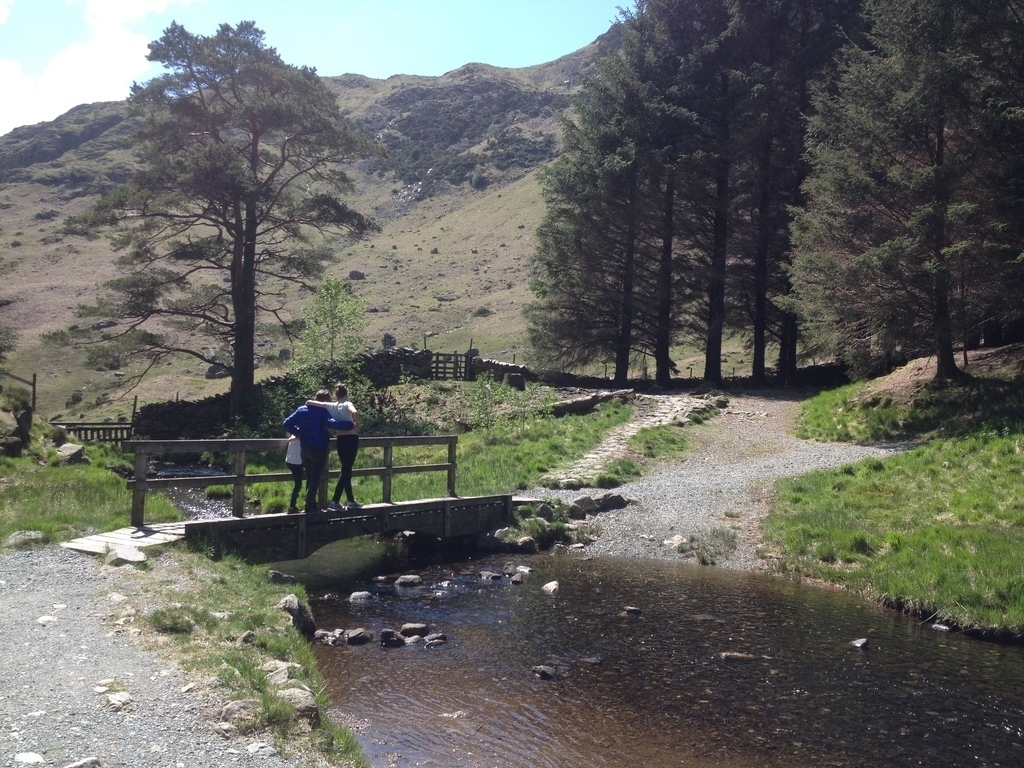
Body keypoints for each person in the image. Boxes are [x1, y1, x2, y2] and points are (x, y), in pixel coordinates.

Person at [282, 389, 346, 514]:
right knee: (315, 479)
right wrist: (349, 425)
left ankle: (313, 505)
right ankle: (309, 507)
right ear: (326, 401)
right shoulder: (322, 410)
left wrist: (298, 433)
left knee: (310, 478)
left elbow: (287, 423)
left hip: (305, 449)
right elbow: (332, 423)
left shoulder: (301, 410)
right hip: (319, 448)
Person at [307, 381, 362, 511]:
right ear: (346, 394)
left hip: (340, 439)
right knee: (346, 469)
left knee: (346, 468)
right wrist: (357, 423)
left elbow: (309, 402)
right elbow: (355, 412)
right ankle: (335, 500)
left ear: (335, 395)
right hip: (351, 438)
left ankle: (351, 501)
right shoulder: (347, 404)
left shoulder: (331, 406)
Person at [284, 435, 303, 514]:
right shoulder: (301, 432)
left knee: (298, 484)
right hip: (297, 462)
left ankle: (292, 506)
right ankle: (292, 506)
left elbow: (290, 439)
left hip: (290, 460)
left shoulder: (295, 431)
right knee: (298, 484)